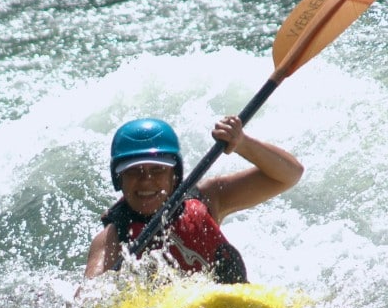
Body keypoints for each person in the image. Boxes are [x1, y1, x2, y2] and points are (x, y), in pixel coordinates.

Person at [84, 116, 303, 283]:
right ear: (118, 179)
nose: (146, 181)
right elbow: (87, 301)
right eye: (134, 172)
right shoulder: (113, 238)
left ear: (175, 175)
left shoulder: (208, 197)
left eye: (158, 170)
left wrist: (243, 143)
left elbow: (289, 175)